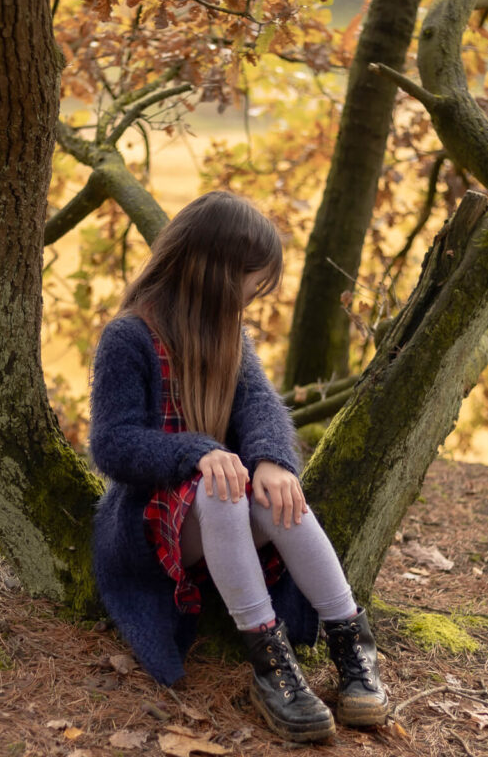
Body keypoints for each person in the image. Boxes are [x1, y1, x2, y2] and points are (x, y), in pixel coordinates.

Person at [89, 191, 388, 742]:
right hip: (149, 524)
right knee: (221, 487)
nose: (253, 297)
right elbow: (112, 443)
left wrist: (274, 462)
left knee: (271, 492)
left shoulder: (230, 336)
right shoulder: (127, 338)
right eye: (252, 282)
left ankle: (352, 643)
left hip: (216, 514)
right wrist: (195, 451)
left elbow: (258, 406)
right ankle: (271, 662)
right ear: (216, 273)